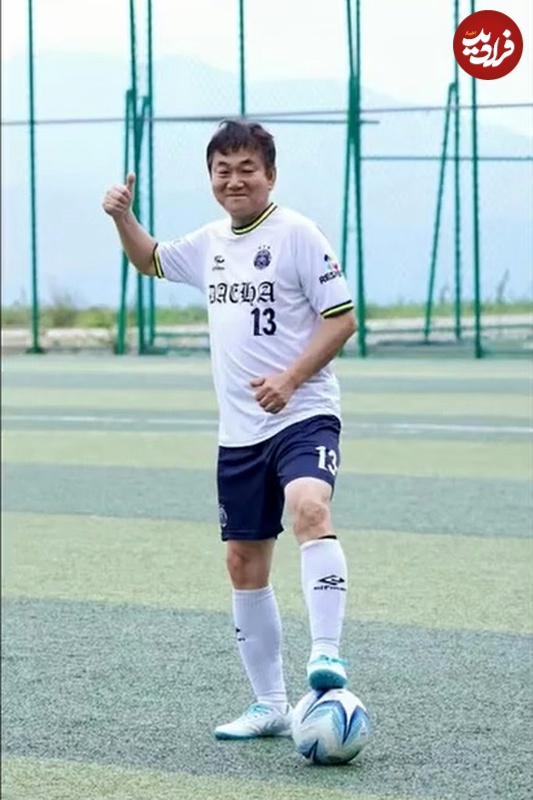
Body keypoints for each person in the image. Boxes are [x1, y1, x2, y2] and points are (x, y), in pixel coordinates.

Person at [103, 119, 357, 740]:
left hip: (302, 413)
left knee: (309, 505)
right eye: (224, 170)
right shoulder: (210, 242)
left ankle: (326, 654)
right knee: (244, 562)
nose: (235, 180)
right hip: (240, 434)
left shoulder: (298, 233)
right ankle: (270, 705)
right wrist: (123, 217)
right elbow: (150, 259)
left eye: (248, 169)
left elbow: (342, 319)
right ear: (212, 179)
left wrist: (290, 379)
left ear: (271, 175)